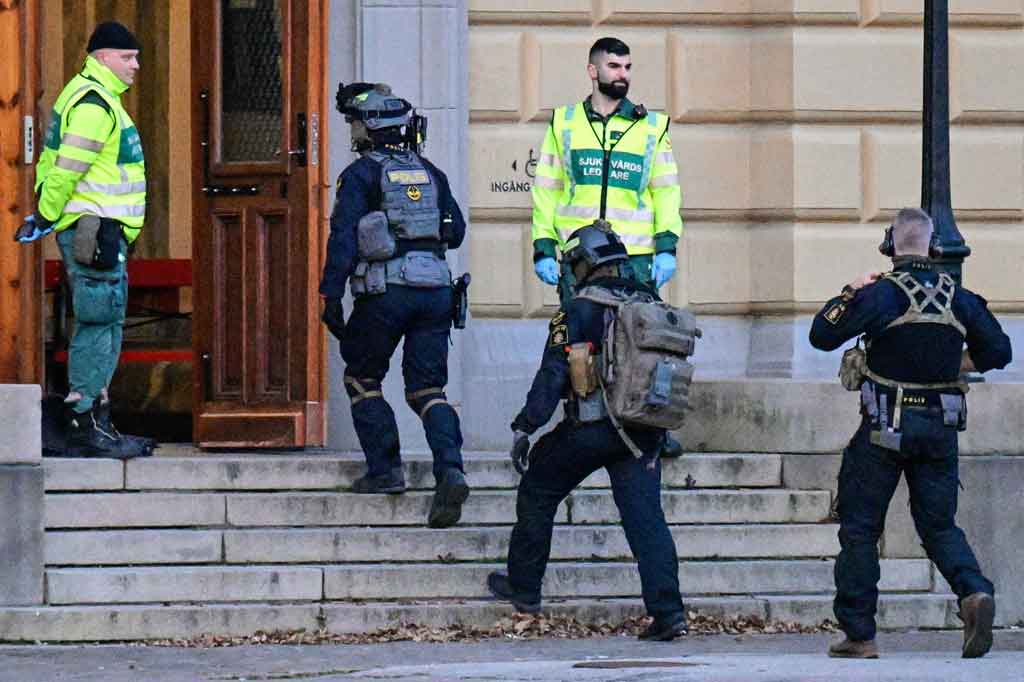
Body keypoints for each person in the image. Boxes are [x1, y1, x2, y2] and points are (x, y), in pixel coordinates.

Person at [809, 207, 1012, 659]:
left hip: (883, 430)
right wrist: (956, 361)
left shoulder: (880, 295)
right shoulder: (960, 297)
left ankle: (859, 635)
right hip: (939, 430)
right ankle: (973, 592)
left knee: (860, 529)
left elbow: (821, 335)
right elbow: (1000, 351)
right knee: (939, 526)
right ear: (934, 246)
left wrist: (850, 291)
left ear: (889, 246)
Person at [487, 222, 689, 642]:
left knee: (538, 489)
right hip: (643, 431)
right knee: (646, 521)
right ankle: (669, 613)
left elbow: (553, 373)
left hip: (593, 428)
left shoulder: (577, 309)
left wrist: (526, 426)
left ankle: (524, 590)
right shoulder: (649, 301)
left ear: (586, 263)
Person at [320, 82, 469, 529]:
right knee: (428, 390)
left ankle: (385, 471)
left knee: (362, 377)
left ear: (369, 128)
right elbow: (456, 232)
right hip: (437, 291)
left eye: (355, 124)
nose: (353, 131)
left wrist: (331, 294)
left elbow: (343, 238)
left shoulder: (360, 174)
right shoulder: (431, 172)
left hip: (386, 293)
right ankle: (451, 470)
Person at [530, 36, 685, 459]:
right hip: (579, 259)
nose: (623, 75)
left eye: (627, 67)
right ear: (592, 70)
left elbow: (666, 191)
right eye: (614, 66)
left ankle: (653, 428)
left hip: (635, 257)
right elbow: (546, 190)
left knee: (644, 343)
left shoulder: (652, 126)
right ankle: (580, 421)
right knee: (577, 344)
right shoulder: (564, 123)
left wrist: (666, 245)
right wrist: (543, 245)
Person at [19, 22, 147, 459]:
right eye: (127, 57)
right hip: (94, 230)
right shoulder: (94, 104)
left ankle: (98, 422)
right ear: (101, 58)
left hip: (102, 230)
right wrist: (46, 214)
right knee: (97, 321)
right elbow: (66, 171)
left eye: (136, 57)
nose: (135, 65)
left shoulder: (99, 98)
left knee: (105, 320)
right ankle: (84, 421)